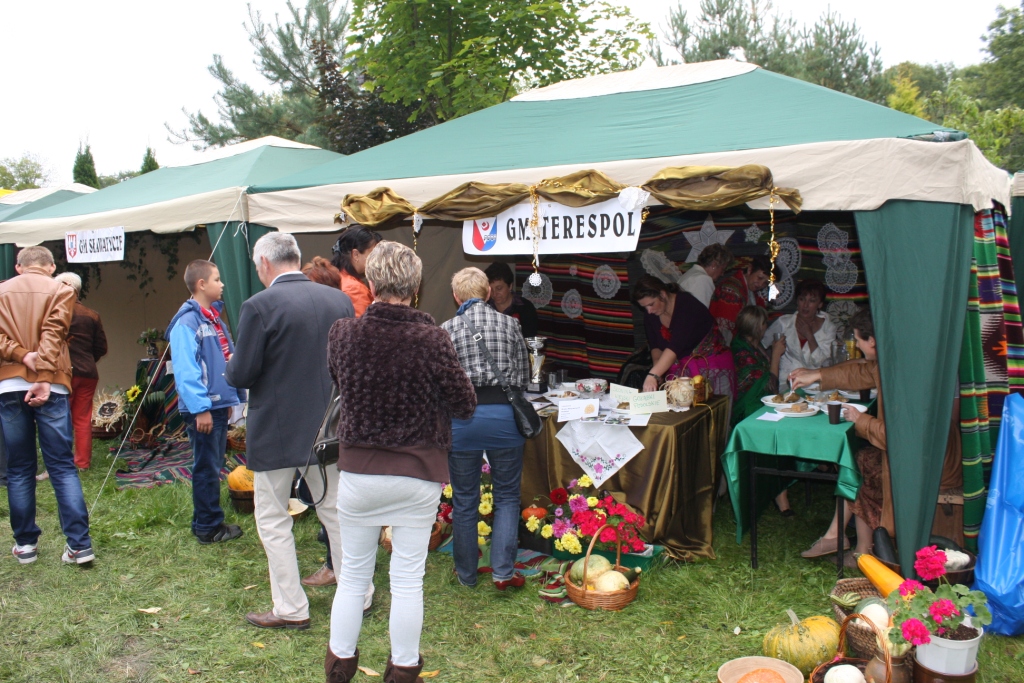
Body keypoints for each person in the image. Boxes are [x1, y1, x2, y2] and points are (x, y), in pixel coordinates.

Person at [324, 241, 475, 683]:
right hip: (417, 472)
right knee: (408, 579)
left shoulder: (343, 334)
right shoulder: (433, 339)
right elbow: (464, 403)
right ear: (416, 287)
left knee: (353, 576)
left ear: (371, 284)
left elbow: (340, 381)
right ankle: (404, 670)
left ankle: (339, 669)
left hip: (359, 471)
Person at [226, 233, 359, 630]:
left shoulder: (259, 305)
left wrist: (229, 366)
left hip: (278, 429)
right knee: (335, 511)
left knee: (272, 517)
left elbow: (242, 372)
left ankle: (290, 607)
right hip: (329, 425)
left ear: (265, 263)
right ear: (295, 258)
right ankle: (360, 593)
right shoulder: (338, 300)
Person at [0, 246, 93, 565]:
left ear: (18, 267)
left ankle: (25, 545)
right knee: (62, 466)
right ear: (52, 267)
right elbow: (54, 334)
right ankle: (80, 545)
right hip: (52, 382)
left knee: (19, 467)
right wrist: (42, 374)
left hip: (9, 383)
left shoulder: (2, 291)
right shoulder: (62, 290)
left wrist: (21, 355)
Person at [442, 267, 531, 590]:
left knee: (465, 499)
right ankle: (503, 572)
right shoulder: (510, 324)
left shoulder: (446, 329)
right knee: (507, 496)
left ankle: (466, 575)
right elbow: (524, 376)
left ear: (456, 297)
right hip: (504, 418)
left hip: (462, 420)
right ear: (489, 292)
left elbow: (442, 383)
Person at [790, 307, 881, 564]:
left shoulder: (894, 369)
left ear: (872, 341)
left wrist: (862, 420)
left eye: (858, 340)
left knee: (859, 462)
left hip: (917, 460)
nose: (857, 347)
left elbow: (898, 435)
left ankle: (853, 545)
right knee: (857, 458)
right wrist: (817, 375)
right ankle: (852, 543)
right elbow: (859, 372)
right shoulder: (886, 362)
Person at [166, 260, 245, 545]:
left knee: (213, 463)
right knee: (207, 466)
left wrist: (230, 396)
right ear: (201, 284)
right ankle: (208, 527)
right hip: (204, 408)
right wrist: (201, 409)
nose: (222, 284)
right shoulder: (187, 323)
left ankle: (205, 519)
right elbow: (186, 370)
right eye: (217, 279)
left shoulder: (213, 319)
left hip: (216, 405)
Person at [299, 254, 344, 588]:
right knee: (335, 501)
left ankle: (336, 566)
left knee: (332, 502)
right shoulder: (341, 321)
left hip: (329, 426)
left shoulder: (327, 328)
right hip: (336, 423)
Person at [633, 276, 735, 398]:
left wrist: (652, 375)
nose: (649, 311)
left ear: (663, 294)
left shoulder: (687, 305)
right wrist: (658, 372)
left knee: (714, 407)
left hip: (712, 368)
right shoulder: (651, 315)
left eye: (651, 304)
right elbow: (655, 346)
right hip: (682, 372)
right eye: (644, 307)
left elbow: (675, 346)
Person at [53, 272, 108, 470]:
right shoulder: (92, 314)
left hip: (62, 372)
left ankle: (60, 463)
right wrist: (88, 360)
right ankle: (82, 463)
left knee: (59, 418)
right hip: (88, 373)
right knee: (83, 419)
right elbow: (101, 348)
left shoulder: (53, 312)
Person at [762, 279, 837, 384]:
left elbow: (823, 363)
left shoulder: (828, 328)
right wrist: (771, 360)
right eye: (802, 299)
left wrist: (810, 336)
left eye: (812, 301)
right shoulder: (784, 323)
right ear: (797, 301)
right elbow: (761, 344)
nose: (805, 305)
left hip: (815, 384)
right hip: (785, 384)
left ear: (820, 304)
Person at [710, 255, 772, 344]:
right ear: (750, 269)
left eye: (765, 283)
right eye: (760, 278)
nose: (760, 284)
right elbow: (724, 332)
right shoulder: (731, 291)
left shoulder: (751, 291)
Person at [330, 225, 381, 317]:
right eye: (372, 255)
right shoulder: (354, 289)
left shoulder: (337, 277)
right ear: (356, 255)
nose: (376, 260)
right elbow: (362, 324)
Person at [484, 262, 538, 338]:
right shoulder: (485, 307)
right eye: (491, 289)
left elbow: (529, 338)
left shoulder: (526, 307)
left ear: (510, 286)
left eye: (499, 288)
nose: (494, 293)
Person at [678, 243, 732, 308]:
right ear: (714, 265)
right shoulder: (703, 279)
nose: (722, 274)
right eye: (722, 269)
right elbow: (703, 312)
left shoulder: (691, 273)